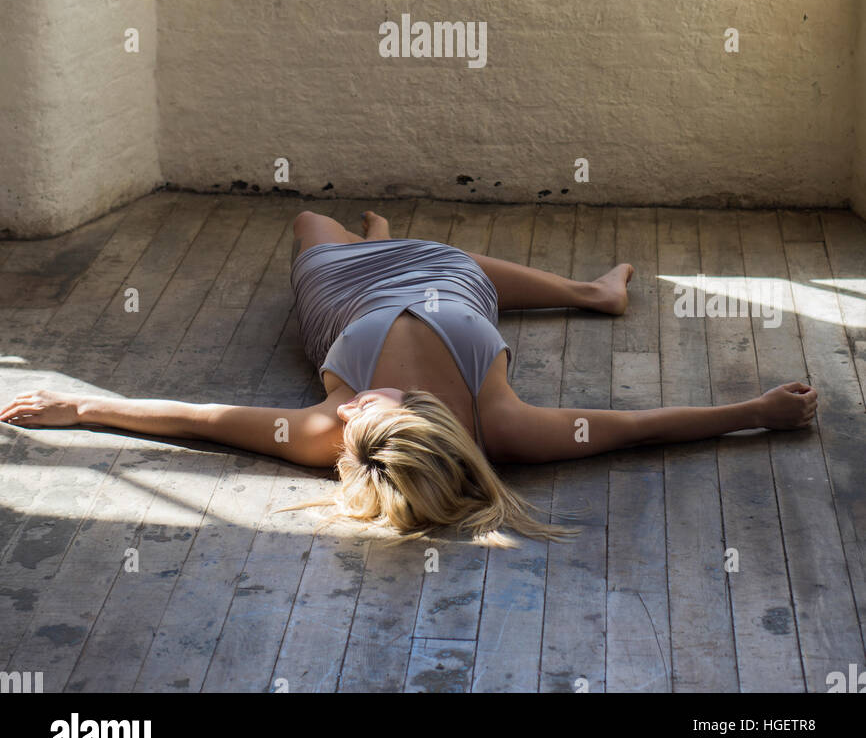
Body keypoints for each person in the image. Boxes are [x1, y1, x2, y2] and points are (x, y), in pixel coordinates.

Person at [0, 209, 818, 545]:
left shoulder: (327, 431)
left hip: (344, 293)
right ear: (431, 417)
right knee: (456, 264)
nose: (356, 401)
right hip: (446, 278)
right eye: (371, 405)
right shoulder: (506, 429)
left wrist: (84, 407)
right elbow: (640, 428)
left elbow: (200, 416)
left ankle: (368, 235)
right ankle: (587, 293)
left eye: (350, 415)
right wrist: (756, 409)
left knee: (307, 223)